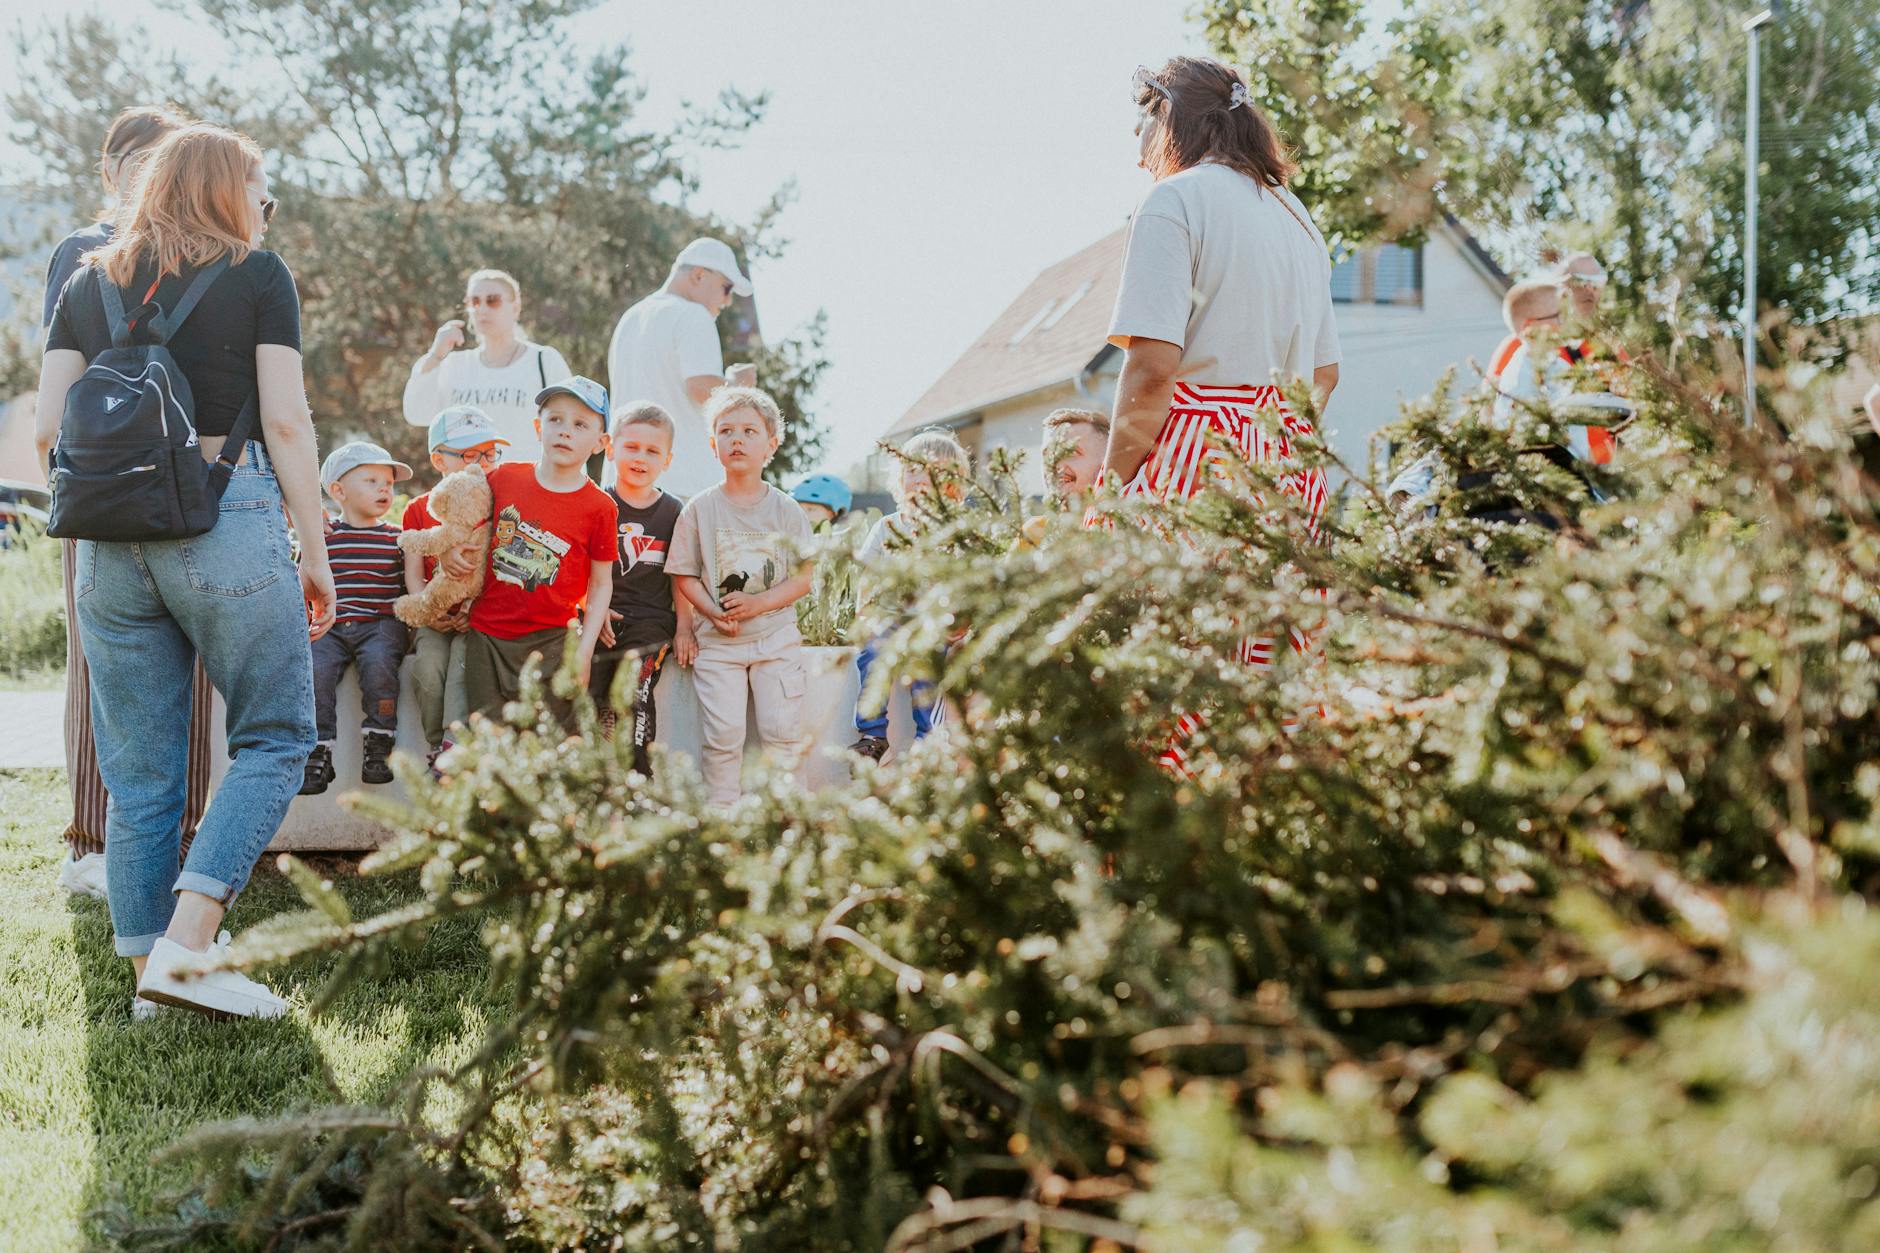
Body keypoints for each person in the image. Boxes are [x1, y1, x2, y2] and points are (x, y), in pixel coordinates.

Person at [35, 122, 334, 1019]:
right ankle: (189, 944)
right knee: (277, 734)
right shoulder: (257, 275)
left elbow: (49, 428)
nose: (264, 204)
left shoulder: (90, 282)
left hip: (109, 545)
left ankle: (149, 984)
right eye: (259, 186)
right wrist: (313, 549)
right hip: (224, 511)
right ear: (224, 191)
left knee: (141, 773)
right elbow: (285, 423)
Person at [1105, 57, 1339, 773]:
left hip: (1196, 457)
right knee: (1270, 680)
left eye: (1140, 124)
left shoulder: (1175, 200)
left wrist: (1109, 486)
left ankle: (1161, 857)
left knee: (1167, 667)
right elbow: (1324, 374)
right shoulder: (1298, 219)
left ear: (1169, 117)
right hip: (1289, 463)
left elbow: (1151, 368)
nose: (1134, 147)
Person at [42, 104, 199, 901]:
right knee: (97, 666)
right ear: (109, 170)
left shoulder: (195, 249)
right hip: (102, 486)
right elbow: (59, 385)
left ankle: (179, 839)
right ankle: (90, 839)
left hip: (182, 486)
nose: (148, 172)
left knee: (188, 666)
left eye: (162, 158)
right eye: (135, 160)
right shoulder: (82, 251)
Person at [667, 387, 814, 805]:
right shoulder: (698, 509)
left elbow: (803, 578)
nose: (737, 439)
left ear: (770, 445)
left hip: (775, 642)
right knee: (723, 737)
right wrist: (711, 613)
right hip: (718, 644)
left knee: (782, 735)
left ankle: (789, 819)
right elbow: (685, 575)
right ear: (713, 446)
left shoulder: (786, 510)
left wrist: (758, 604)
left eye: (749, 431)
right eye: (726, 431)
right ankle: (723, 819)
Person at [460, 376, 616, 731]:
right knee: (490, 744)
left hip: (556, 642)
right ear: (537, 427)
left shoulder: (600, 507)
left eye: (580, 424)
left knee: (553, 745)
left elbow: (601, 583)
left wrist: (585, 650)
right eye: (555, 420)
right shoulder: (503, 479)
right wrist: (450, 558)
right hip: (489, 637)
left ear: (600, 443)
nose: (565, 431)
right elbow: (467, 532)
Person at [587, 402, 696, 774]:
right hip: (596, 617)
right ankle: (586, 775)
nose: (640, 457)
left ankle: (638, 778)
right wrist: (591, 607)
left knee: (635, 687)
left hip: (649, 623)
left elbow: (680, 575)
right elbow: (578, 569)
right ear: (611, 447)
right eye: (631, 447)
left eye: (652, 451)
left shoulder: (673, 511)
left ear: (667, 459)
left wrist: (684, 627)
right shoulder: (595, 502)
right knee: (582, 687)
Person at [848, 431, 969, 760]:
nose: (921, 478)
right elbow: (868, 578)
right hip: (892, 620)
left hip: (936, 625)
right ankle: (872, 735)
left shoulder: (956, 530)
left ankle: (927, 740)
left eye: (933, 471)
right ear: (900, 479)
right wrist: (866, 613)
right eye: (913, 470)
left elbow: (968, 582)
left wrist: (961, 621)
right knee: (871, 653)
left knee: (928, 669)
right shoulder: (887, 527)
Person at [606, 238, 757, 499]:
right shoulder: (693, 315)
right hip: (682, 487)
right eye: (726, 287)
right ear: (699, 275)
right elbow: (701, 388)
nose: (728, 300)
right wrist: (737, 387)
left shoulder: (631, 318)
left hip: (624, 485)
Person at [304, 441, 415, 794]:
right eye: (371, 481)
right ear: (338, 491)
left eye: (389, 483)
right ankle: (318, 751)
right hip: (332, 626)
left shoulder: (397, 538)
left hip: (380, 624)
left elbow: (410, 587)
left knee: (380, 665)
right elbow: (303, 582)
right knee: (315, 669)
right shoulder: (324, 539)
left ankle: (379, 745)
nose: (385, 488)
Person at [403, 406, 508, 764]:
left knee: (464, 670)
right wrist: (426, 612)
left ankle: (453, 744)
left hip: (477, 619)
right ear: (438, 460)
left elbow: (499, 569)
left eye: (490, 452)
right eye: (469, 454)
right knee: (429, 669)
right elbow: (414, 572)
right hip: (435, 616)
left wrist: (474, 610)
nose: (484, 462)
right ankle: (436, 746)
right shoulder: (419, 509)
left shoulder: (498, 507)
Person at [402, 270, 571, 463]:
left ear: (516, 308)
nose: (482, 309)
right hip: (470, 487)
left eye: (492, 300)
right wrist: (435, 354)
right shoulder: (455, 364)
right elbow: (417, 414)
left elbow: (569, 428)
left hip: (525, 486)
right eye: (474, 302)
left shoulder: (544, 361)